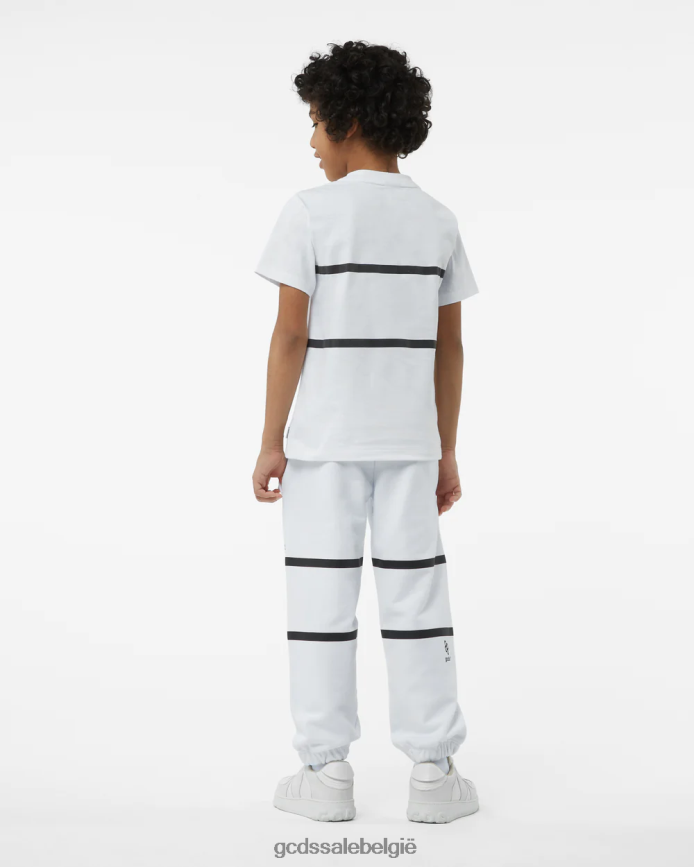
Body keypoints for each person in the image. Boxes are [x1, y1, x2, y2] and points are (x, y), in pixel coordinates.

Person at [252, 40, 480, 824]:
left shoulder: (309, 213)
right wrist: (447, 448)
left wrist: (270, 439)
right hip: (411, 448)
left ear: (348, 122)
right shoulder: (438, 220)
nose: (312, 141)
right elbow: (450, 348)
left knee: (321, 602)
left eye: (316, 122)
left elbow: (290, 335)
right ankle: (433, 772)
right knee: (419, 601)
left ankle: (325, 772)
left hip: (323, 450)